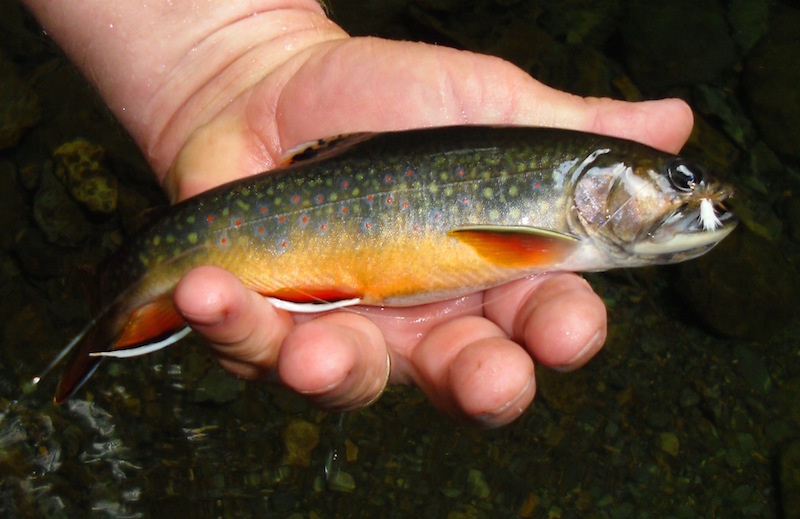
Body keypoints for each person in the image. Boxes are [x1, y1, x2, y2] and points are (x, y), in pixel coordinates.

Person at [22, 0, 693, 427]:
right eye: (680, 180)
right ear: (602, 181)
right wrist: (231, 55)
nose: (692, 202)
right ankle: (113, 301)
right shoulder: (550, 227)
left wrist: (230, 48)